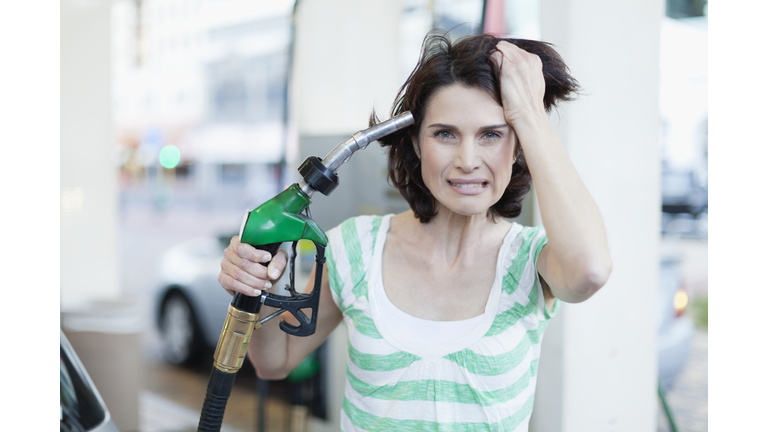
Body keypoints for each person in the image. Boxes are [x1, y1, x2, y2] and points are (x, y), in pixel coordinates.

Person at [218, 31, 612, 431]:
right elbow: (273, 362)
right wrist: (256, 286)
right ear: (417, 143)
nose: (467, 160)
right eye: (445, 134)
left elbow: (590, 271)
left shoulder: (532, 259)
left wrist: (530, 114)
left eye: (491, 134)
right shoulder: (356, 246)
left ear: (518, 147)